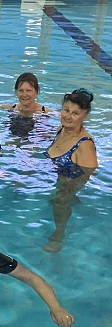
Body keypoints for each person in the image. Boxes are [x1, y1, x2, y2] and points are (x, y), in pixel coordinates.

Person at [43, 88, 97, 252]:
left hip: (69, 182)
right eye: (66, 110)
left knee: (59, 203)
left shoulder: (85, 145)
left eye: (75, 113)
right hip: (57, 177)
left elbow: (88, 174)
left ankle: (59, 235)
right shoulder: (61, 129)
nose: (68, 116)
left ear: (84, 115)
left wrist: (67, 194)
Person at [0, 73, 52, 139]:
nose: (24, 95)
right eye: (21, 91)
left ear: (36, 92)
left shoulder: (45, 111)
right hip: (11, 138)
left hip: (34, 139)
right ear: (16, 92)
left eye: (28, 90)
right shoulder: (12, 108)